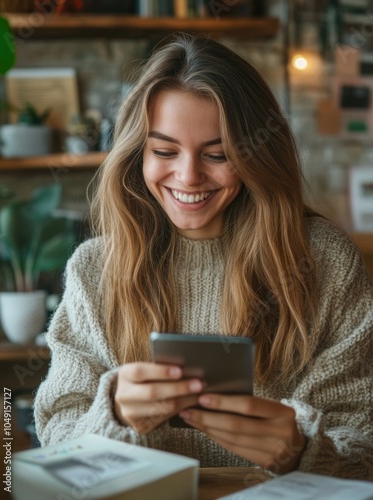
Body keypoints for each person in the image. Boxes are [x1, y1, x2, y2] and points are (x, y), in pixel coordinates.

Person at [34, 33, 373, 479]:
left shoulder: (325, 260)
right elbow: (59, 437)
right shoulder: (94, 268)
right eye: (164, 151)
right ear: (138, 155)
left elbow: (363, 440)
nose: (189, 177)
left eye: (217, 154)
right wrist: (114, 416)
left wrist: (302, 450)